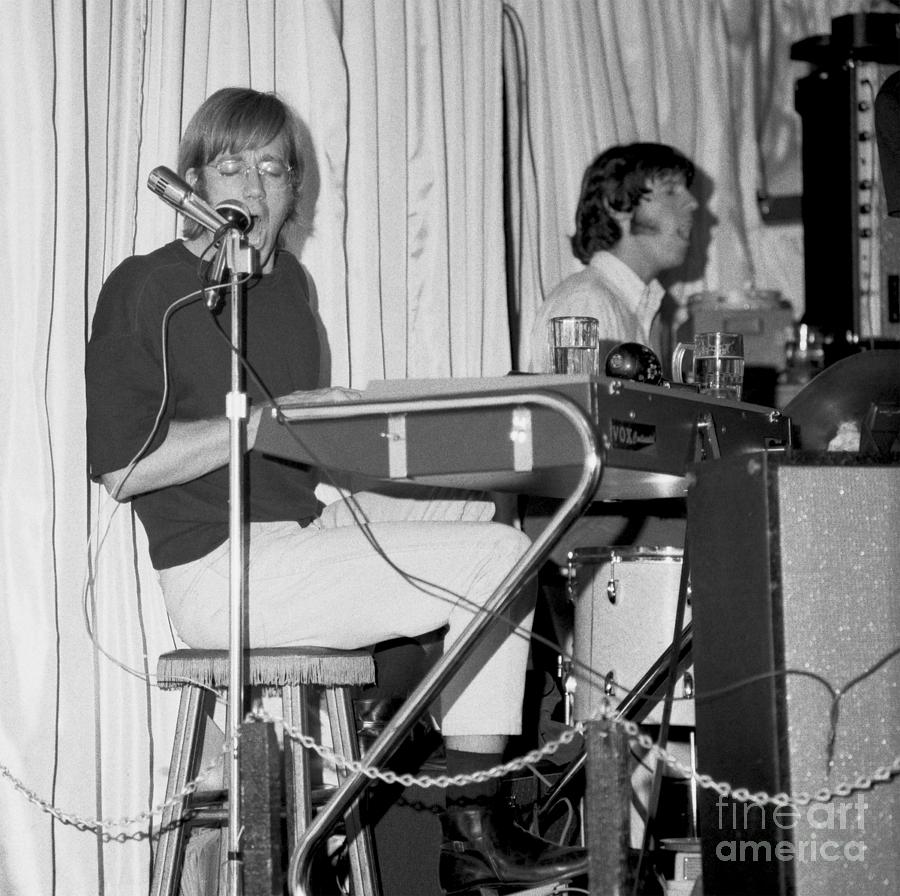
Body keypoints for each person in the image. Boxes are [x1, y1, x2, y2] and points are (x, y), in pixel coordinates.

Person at [85, 87, 586, 893]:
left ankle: (411, 713)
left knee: (489, 512)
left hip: (295, 533)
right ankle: (474, 828)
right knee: (493, 559)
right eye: (230, 163)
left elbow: (296, 462)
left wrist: (378, 447)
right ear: (192, 184)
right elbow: (125, 470)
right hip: (219, 568)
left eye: (273, 167)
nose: (251, 182)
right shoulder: (146, 287)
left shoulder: (291, 290)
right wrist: (254, 424)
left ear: (294, 194)